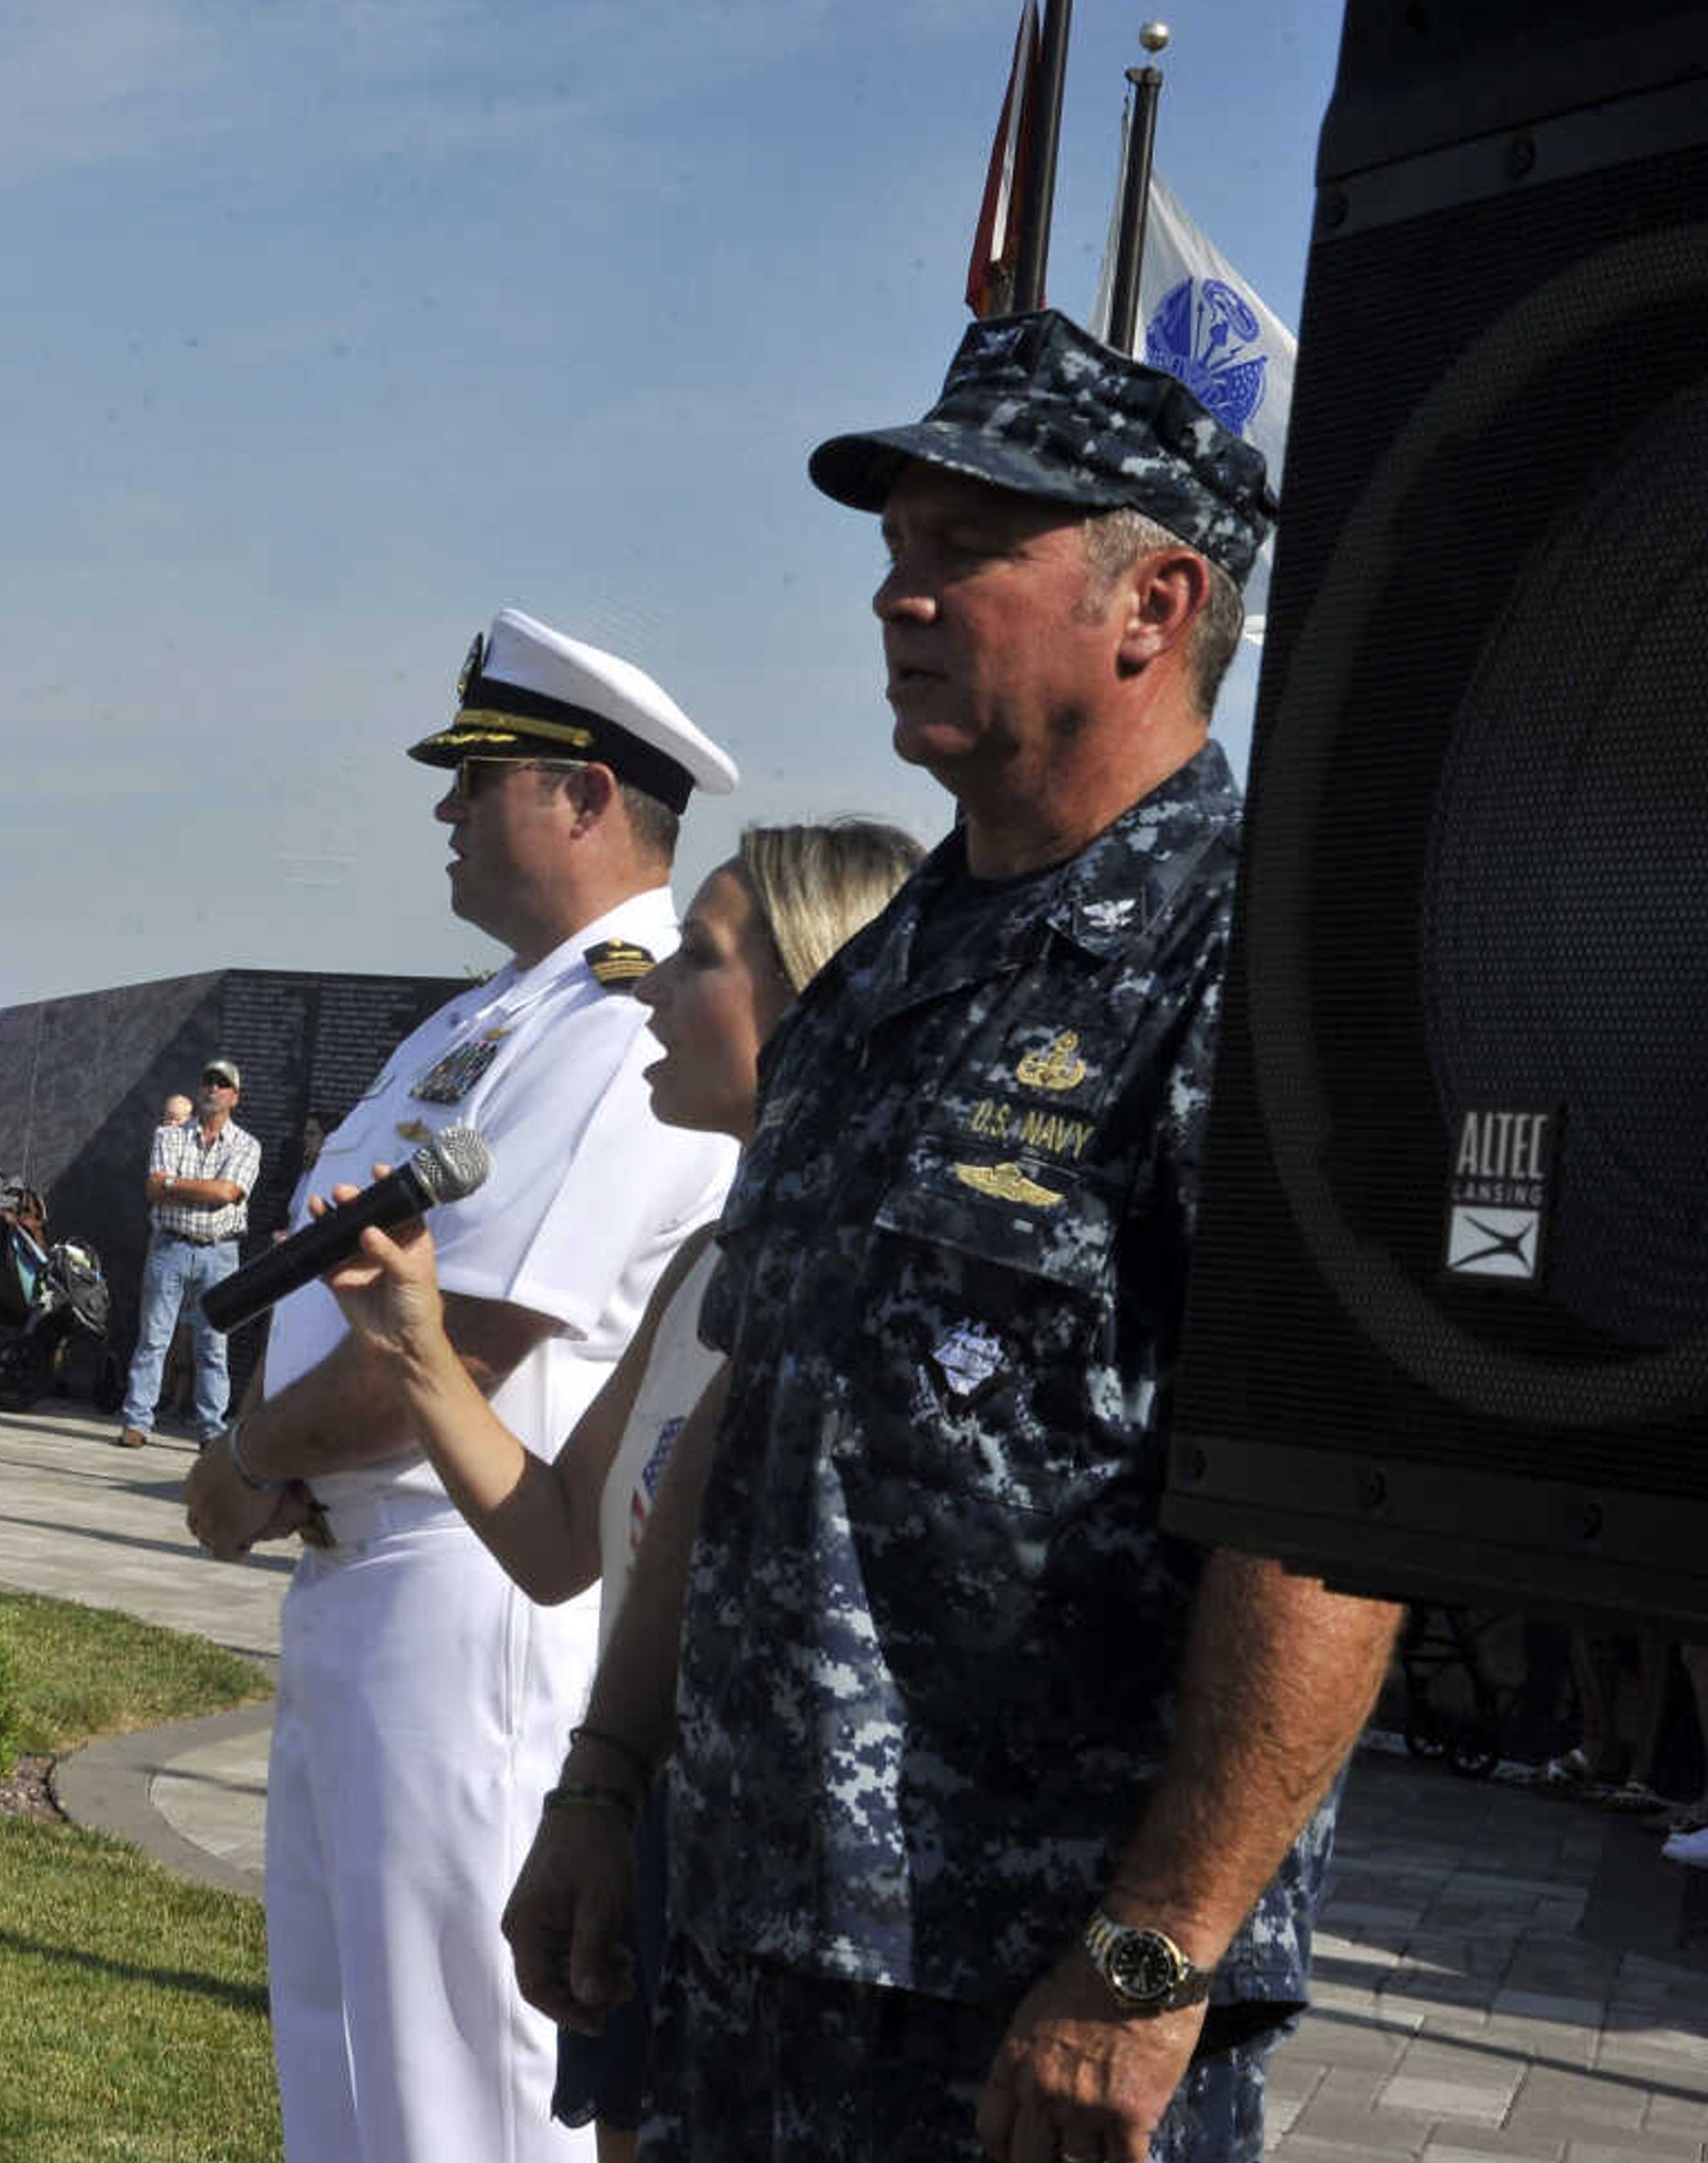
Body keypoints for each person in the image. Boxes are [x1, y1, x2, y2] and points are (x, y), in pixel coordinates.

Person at [507, 311, 1403, 2163]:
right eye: (892, 553)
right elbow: (747, 1420)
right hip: (748, 1956)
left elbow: (1328, 1525)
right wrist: (610, 1776)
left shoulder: (1272, 979)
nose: (893, 601)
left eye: (960, 551)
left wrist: (1151, 1959)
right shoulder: (882, 974)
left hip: (1028, 2013)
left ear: (1154, 604)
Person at [182, 610, 740, 2163]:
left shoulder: (622, 1018)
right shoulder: (482, 1017)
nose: (444, 811)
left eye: (477, 780)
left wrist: (247, 1450)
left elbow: (477, 1333)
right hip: (362, 1577)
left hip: (474, 1586)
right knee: (347, 2058)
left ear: (585, 797)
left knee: (469, 2085)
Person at [316, 816, 920, 2161]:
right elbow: (553, 1543)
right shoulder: (712, 1260)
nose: (648, 991)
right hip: (655, 1858)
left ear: (816, 995)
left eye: (695, 960)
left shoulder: (885, 1283)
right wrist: (417, 1344)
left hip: (812, 1900)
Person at [117, 1057, 260, 1448]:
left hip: (220, 1253)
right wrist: (202, 1187)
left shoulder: (247, 1145)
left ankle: (211, 1429)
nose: (213, 1088)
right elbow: (152, 1188)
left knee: (213, 1345)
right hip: (171, 1247)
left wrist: (175, 1184)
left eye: (222, 1083)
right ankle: (136, 1421)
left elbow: (227, 1194)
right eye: (208, 1081)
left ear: (234, 1097)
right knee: (153, 1338)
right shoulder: (169, 1137)